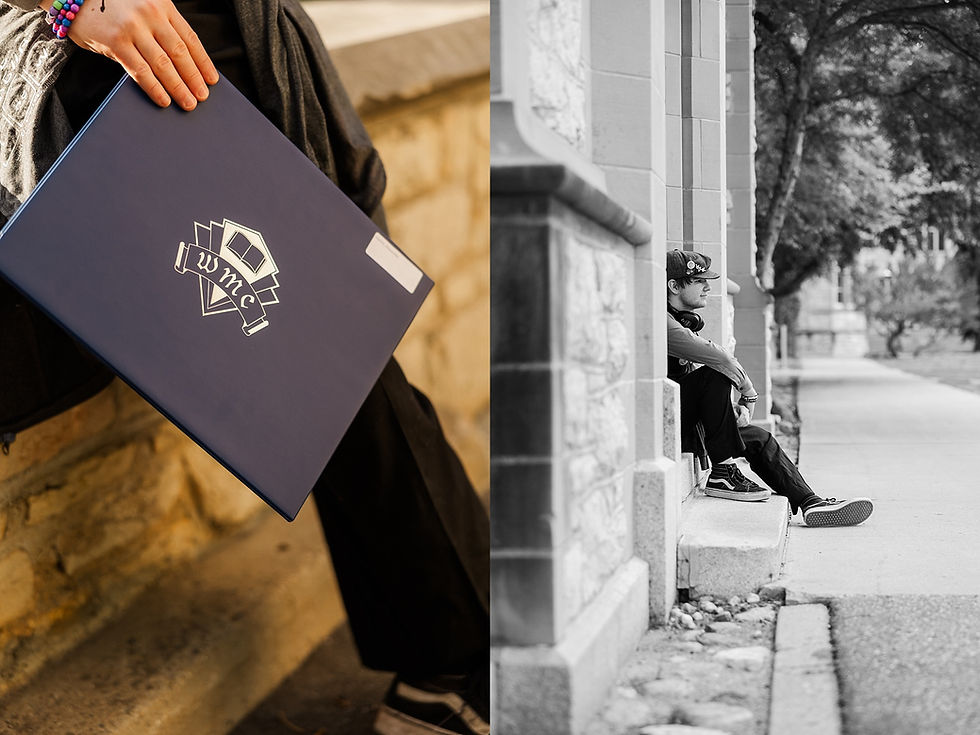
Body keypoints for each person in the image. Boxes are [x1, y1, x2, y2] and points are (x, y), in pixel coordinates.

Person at [0, 2, 489, 734]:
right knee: (322, 345)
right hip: (117, 46)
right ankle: (466, 650)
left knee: (324, 345)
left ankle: (460, 653)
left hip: (220, 35)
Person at [665, 249, 874, 528]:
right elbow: (719, 358)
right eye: (698, 280)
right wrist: (749, 393)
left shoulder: (682, 320)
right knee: (715, 373)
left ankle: (811, 503)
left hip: (688, 419)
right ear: (674, 286)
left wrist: (724, 411)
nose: (707, 286)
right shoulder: (661, 322)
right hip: (667, 420)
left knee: (760, 439)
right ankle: (723, 472)